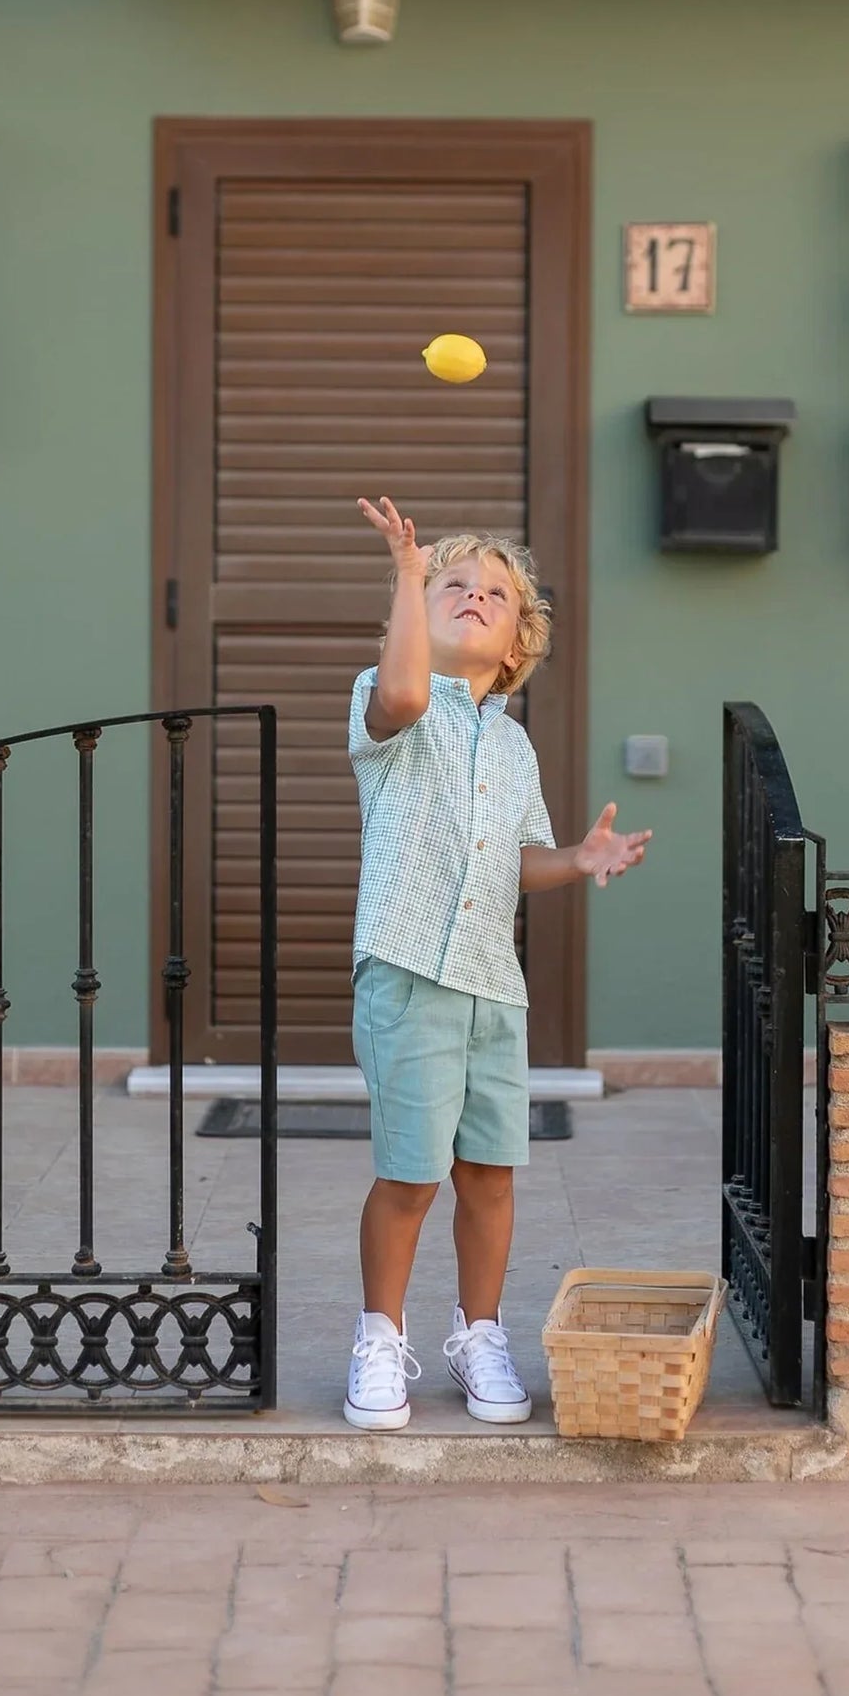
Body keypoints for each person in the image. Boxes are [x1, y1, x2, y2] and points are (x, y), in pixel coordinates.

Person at [344, 494, 652, 1430]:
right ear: (417, 617)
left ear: (518, 643)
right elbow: (402, 693)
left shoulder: (512, 745)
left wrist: (577, 861)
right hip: (406, 972)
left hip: (491, 987)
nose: (474, 596)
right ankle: (378, 1337)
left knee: (490, 1174)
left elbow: (523, 857)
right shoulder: (385, 697)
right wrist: (405, 568)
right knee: (410, 1175)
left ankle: (479, 1332)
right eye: (453, 586)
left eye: (495, 593)